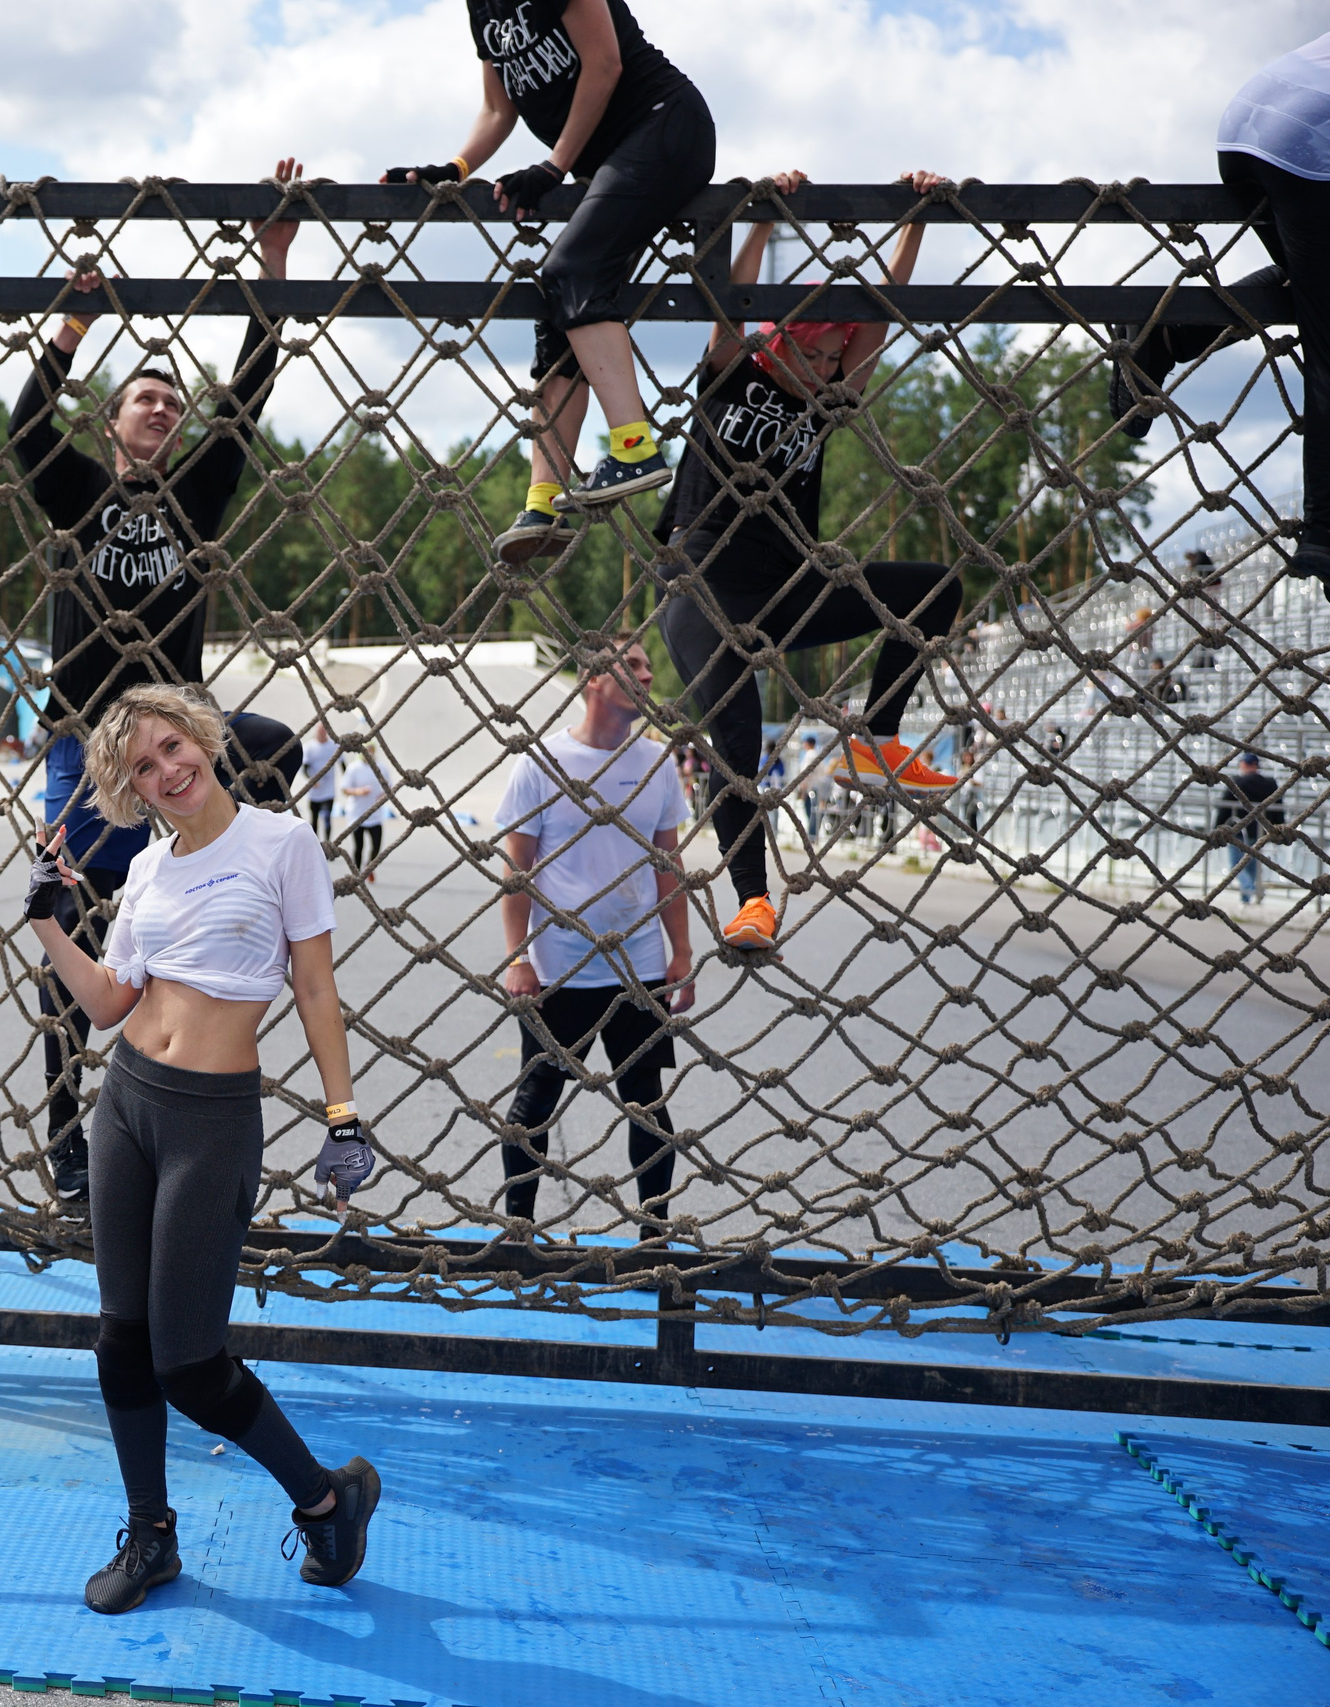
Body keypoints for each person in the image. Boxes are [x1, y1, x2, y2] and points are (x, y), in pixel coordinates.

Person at [24, 684, 381, 1613]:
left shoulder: (281, 843)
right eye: (144, 766)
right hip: (127, 1103)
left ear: (205, 739)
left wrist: (341, 1114)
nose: (167, 770)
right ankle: (151, 1535)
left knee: (189, 1360)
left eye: (172, 746)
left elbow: (314, 989)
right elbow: (109, 1002)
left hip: (212, 1118)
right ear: (133, 789)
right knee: (120, 1339)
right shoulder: (147, 867)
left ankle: (328, 1500)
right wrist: (51, 921)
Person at [12, 160, 306, 1204]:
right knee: (74, 937)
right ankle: (65, 1138)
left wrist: (272, 262)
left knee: (275, 747)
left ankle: (244, 876)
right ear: (112, 418)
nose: (162, 409)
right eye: (146, 398)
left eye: (170, 402)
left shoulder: (195, 497)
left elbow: (252, 389)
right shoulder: (80, 489)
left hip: (174, 745)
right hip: (88, 745)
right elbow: (20, 432)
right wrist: (70, 328)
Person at [655, 168, 966, 952]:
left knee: (933, 591)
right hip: (704, 580)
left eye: (838, 361)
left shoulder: (825, 398)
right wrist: (760, 217)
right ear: (785, 336)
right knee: (737, 740)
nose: (831, 370)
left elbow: (880, 318)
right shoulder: (732, 369)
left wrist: (913, 222)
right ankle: (754, 901)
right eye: (823, 352)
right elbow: (736, 297)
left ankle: (877, 736)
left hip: (788, 583)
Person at [383, 0, 714, 562]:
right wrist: (457, 168)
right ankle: (545, 499)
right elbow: (497, 107)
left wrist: (553, 166)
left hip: (663, 126)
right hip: (610, 161)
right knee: (556, 303)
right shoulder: (481, 8)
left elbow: (605, 64)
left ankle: (634, 446)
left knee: (571, 271)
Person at [1113, 30, 1330, 588]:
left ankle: (1169, 337)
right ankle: (1326, 532)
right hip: (1307, 140)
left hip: (1251, 122)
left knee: (1312, 286)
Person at [492, 640, 691, 1240]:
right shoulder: (543, 762)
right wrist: (518, 956)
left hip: (638, 964)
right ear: (592, 680)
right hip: (560, 967)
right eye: (631, 664)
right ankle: (518, 1231)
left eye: (649, 664)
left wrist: (680, 952)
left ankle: (654, 1234)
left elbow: (668, 865)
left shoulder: (657, 765)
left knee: (647, 1105)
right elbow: (516, 868)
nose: (648, 673)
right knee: (534, 1103)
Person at [1220, 752, 1286, 905]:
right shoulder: (1269, 784)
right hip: (1259, 830)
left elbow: (1223, 807)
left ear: (1244, 764)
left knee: (1236, 865)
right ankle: (1248, 895)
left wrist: (1218, 826)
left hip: (1237, 829)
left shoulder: (1236, 782)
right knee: (1251, 864)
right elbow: (1278, 807)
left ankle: (1249, 889)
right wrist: (1278, 827)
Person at [340, 749, 394, 876]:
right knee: (359, 847)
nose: (369, 754)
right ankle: (356, 874)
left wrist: (383, 795)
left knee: (376, 847)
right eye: (366, 751)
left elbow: (390, 786)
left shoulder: (380, 767)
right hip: (357, 814)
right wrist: (359, 791)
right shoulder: (353, 768)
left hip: (375, 815)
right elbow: (344, 789)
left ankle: (368, 867)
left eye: (371, 751)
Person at [301, 721, 340, 840]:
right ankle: (315, 843)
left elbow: (343, 763)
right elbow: (305, 768)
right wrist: (312, 780)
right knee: (314, 819)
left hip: (329, 790)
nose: (322, 733)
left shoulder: (333, 745)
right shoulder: (309, 747)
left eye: (324, 730)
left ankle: (327, 843)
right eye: (320, 730)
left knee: (327, 817)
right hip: (314, 792)